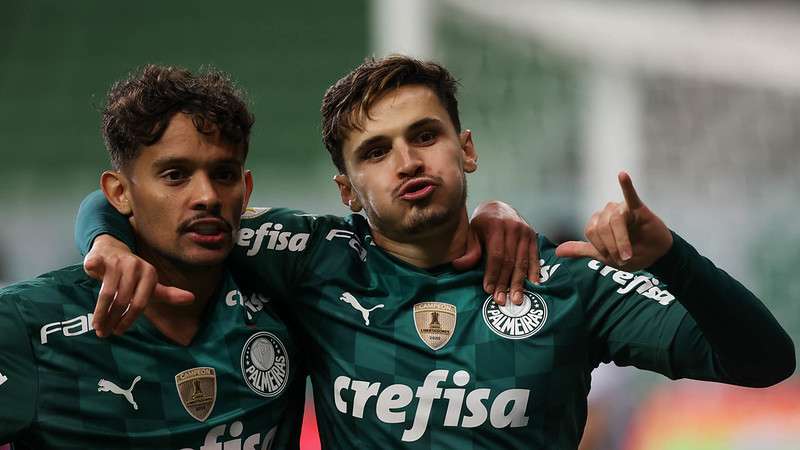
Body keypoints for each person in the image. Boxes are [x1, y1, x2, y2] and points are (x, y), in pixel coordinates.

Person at [75, 56, 795, 449]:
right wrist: (104, 243)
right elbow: (152, 203)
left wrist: (671, 255)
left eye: (425, 135)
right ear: (348, 191)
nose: (407, 161)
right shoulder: (311, 255)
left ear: (466, 148)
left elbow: (765, 361)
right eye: (376, 152)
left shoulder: (566, 279)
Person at [0, 65, 309, 449]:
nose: (208, 196)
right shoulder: (26, 324)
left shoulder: (291, 295)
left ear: (245, 190)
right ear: (119, 193)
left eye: (224, 175)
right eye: (175, 175)